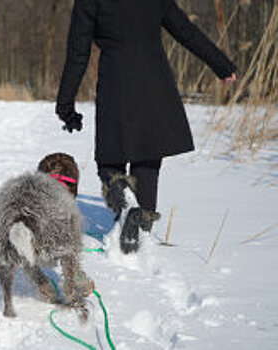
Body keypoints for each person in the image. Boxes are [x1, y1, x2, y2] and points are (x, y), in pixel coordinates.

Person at [56, 0, 237, 254]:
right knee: (148, 161)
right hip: (155, 82)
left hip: (116, 84)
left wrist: (65, 103)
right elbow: (186, 31)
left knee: (110, 160)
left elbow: (78, 53)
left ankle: (123, 197)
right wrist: (221, 65)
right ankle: (140, 235)